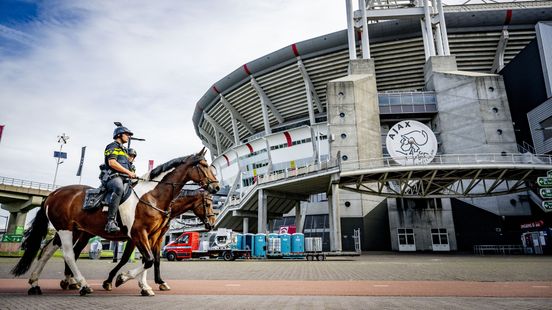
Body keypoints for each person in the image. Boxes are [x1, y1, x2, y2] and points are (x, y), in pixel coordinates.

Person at [103, 126, 136, 233]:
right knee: (119, 188)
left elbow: (128, 167)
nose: (128, 137)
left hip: (125, 178)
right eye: (126, 134)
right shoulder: (112, 146)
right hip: (112, 177)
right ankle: (110, 222)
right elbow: (112, 163)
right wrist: (128, 172)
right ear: (119, 135)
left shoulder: (125, 151)